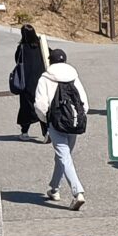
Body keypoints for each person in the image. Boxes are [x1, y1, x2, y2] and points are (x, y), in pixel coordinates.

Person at [34, 47, 90, 210]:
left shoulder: (46, 78)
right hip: (73, 121)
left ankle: (77, 192)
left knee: (64, 156)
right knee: (63, 156)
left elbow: (40, 104)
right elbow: (84, 101)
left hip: (56, 122)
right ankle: (54, 188)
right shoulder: (73, 76)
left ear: (50, 61)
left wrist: (47, 121)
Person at [13, 24, 48, 140]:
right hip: (41, 81)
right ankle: (46, 133)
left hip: (26, 82)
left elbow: (17, 60)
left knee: (26, 108)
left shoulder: (22, 48)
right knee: (42, 107)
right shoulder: (41, 45)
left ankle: (24, 133)